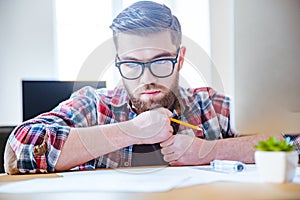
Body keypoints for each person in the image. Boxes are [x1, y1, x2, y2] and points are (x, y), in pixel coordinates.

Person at [4, 1, 297, 174]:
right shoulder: (94, 105)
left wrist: (210, 151)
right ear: (118, 62)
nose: (146, 79)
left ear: (180, 59)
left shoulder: (207, 106)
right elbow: (19, 150)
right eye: (132, 64)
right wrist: (130, 130)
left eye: (160, 61)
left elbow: (292, 138)